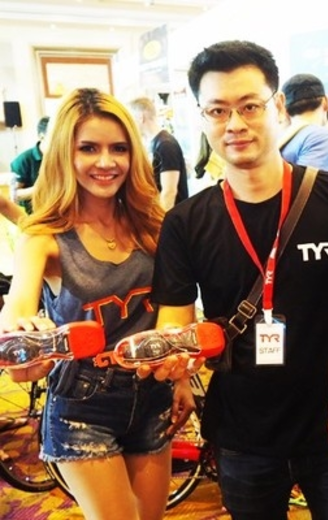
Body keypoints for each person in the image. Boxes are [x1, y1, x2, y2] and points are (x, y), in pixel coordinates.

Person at [150, 40, 328, 519]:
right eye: (218, 110)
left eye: (250, 106)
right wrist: (174, 357)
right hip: (243, 433)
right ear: (203, 117)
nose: (235, 124)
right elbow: (175, 322)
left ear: (278, 106)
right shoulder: (187, 222)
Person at [0, 88, 194, 520]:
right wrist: (21, 337)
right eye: (88, 148)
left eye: (118, 148)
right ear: (64, 154)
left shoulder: (155, 226)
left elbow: (176, 310)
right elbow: (16, 311)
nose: (106, 162)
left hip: (153, 394)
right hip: (82, 403)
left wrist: (182, 380)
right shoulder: (44, 236)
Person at [128, 97, 189, 210]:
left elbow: (169, 192)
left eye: (131, 120)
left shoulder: (166, 145)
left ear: (140, 117)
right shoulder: (154, 143)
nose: (130, 125)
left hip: (173, 216)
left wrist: (160, 219)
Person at [279, 73, 328, 171]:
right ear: (326, 101)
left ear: (285, 110)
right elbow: (310, 181)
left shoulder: (278, 139)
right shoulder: (320, 138)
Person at [10, 115, 49, 214]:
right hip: (34, 213)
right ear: (42, 136)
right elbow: (14, 195)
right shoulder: (22, 160)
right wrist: (39, 189)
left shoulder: (63, 156)